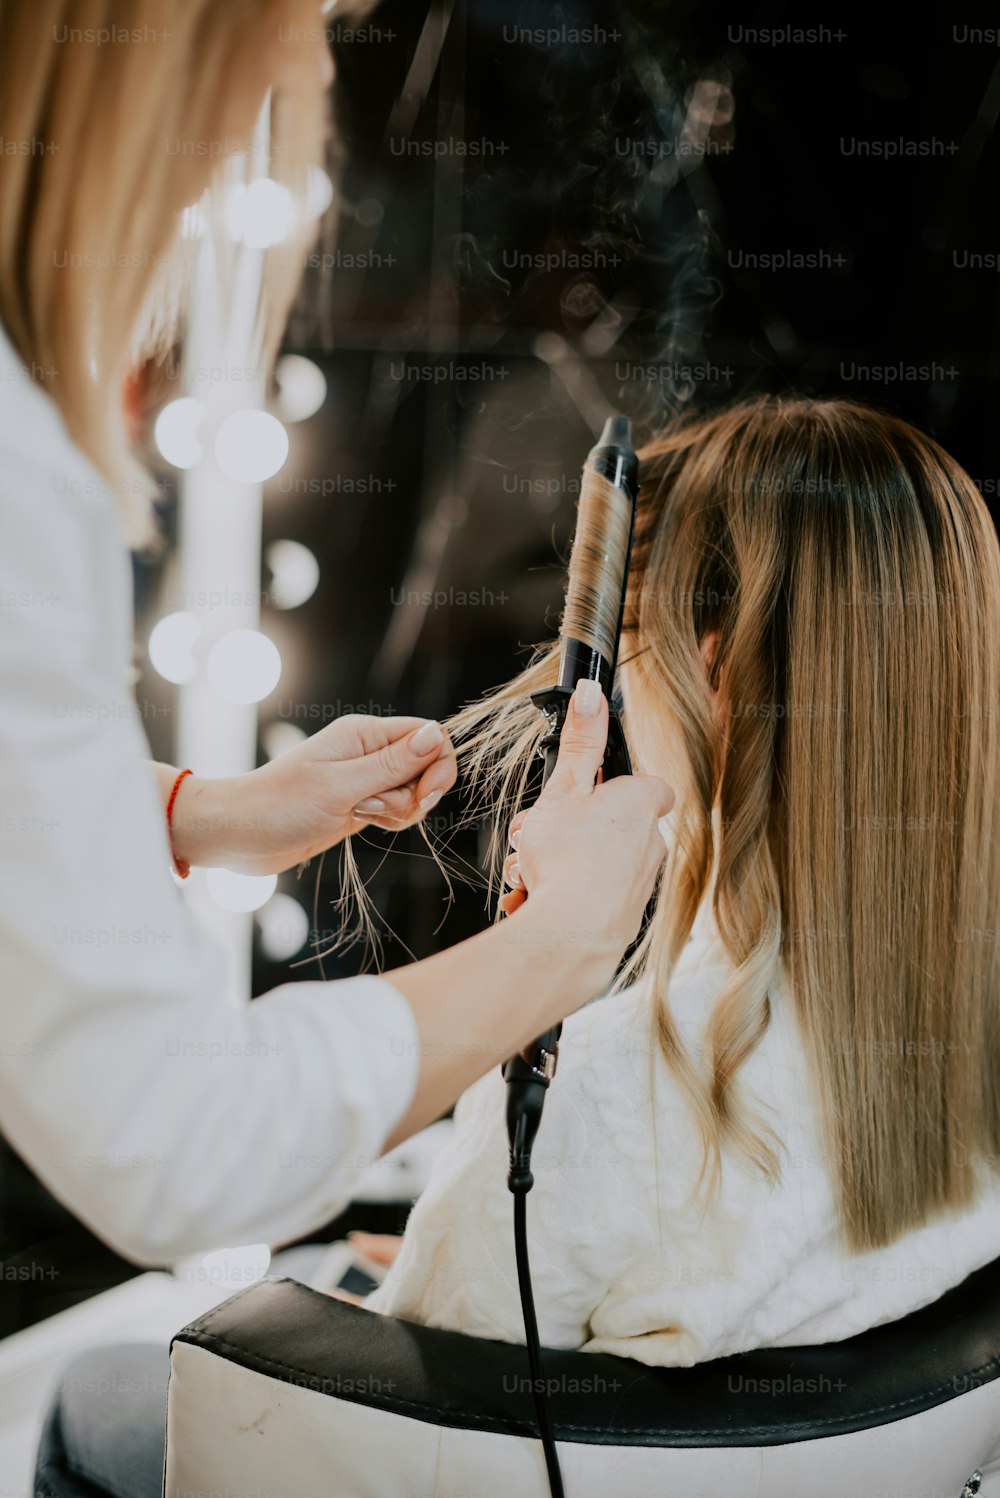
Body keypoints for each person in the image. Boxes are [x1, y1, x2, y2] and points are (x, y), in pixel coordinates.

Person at [366, 396, 1000, 1365]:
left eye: (629, 652)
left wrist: (456, 1245)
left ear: (714, 669)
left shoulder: (603, 1095)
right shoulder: (961, 1053)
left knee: (96, 1393)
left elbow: (390, 1420)